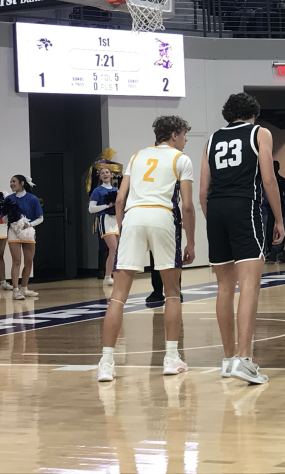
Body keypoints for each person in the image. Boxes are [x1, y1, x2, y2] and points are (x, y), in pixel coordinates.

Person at [98, 116, 196, 383]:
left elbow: (120, 199)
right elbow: (187, 206)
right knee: (172, 293)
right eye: (185, 134)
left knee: (118, 296)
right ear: (175, 135)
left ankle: (106, 363)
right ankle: (171, 357)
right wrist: (191, 241)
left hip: (133, 217)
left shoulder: (136, 156)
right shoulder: (181, 159)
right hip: (162, 217)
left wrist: (123, 225)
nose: (186, 139)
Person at [199, 95, 283, 384]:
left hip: (216, 209)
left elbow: (202, 190)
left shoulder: (211, 139)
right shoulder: (260, 133)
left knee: (224, 287)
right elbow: (268, 179)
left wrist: (214, 218)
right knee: (249, 286)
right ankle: (245, 360)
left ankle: (228, 359)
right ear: (254, 114)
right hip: (244, 207)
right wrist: (279, 219)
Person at [3, 175, 43, 301]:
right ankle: (15, 289)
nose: (11, 184)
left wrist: (29, 224)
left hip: (28, 231)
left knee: (29, 261)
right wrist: (9, 215)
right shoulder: (8, 199)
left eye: (13, 181)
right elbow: (3, 219)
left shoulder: (32, 199)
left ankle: (24, 288)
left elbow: (40, 218)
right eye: (10, 182)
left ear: (22, 183)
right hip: (13, 231)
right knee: (16, 261)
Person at [88, 157, 122, 286]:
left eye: (107, 172)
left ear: (111, 174)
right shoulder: (97, 191)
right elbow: (91, 209)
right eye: (102, 173)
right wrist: (107, 206)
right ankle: (110, 275)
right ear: (100, 176)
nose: (105, 175)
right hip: (105, 219)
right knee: (113, 248)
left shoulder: (116, 190)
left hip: (116, 220)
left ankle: (111, 275)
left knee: (117, 249)